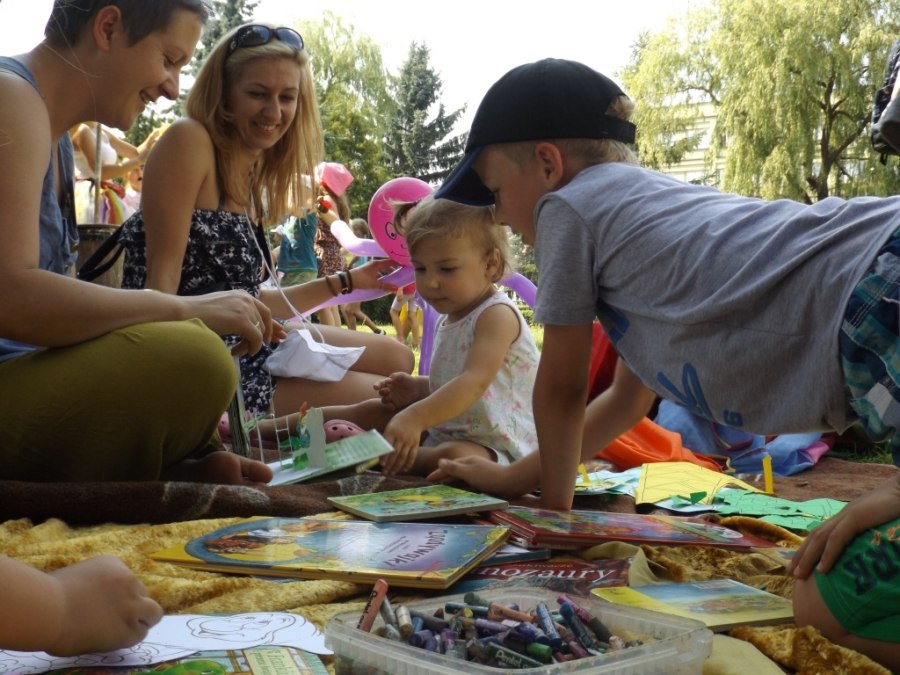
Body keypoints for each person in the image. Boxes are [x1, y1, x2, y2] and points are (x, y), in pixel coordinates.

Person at [433, 57, 900, 669]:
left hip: (876, 292)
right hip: (873, 266)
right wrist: (509, 478)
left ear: (548, 165)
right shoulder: (640, 226)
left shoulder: (567, 207)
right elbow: (624, 403)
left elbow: (563, 387)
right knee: (826, 594)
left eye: (495, 193)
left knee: (822, 604)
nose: (496, 215)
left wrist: (552, 524)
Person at [0, 0, 277, 654]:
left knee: (189, 358)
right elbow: (11, 297)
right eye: (169, 59)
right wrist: (184, 307)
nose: (172, 87)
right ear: (107, 26)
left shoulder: (44, 125)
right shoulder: (13, 101)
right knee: (194, 355)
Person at [119, 22, 413, 419]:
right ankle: (241, 426)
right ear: (223, 95)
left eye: (287, 97)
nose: (274, 112)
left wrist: (349, 282)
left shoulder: (251, 172)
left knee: (397, 357)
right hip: (207, 356)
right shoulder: (188, 142)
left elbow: (250, 301)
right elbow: (158, 292)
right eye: (257, 94)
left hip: (251, 337)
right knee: (394, 402)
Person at [321, 196, 540, 476]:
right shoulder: (453, 315)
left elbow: (474, 382)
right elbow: (459, 385)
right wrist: (418, 388)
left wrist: (415, 416)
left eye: (447, 269)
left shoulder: (496, 316)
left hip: (501, 449)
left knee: (453, 456)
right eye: (421, 268)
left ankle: (371, 454)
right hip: (451, 429)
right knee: (374, 409)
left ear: (490, 264)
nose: (430, 282)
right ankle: (270, 430)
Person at [69, 121, 159, 224]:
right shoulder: (82, 130)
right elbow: (100, 172)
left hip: (106, 193)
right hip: (90, 197)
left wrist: (150, 140)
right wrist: (137, 162)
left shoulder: (103, 132)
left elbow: (135, 153)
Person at [313, 162, 354, 327]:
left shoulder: (323, 201)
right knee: (331, 304)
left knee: (322, 303)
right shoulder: (338, 201)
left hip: (325, 254)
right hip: (335, 253)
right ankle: (338, 339)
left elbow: (333, 223)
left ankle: (332, 340)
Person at [339, 218, 385, 334]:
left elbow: (358, 256)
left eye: (353, 229)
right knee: (349, 309)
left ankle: (377, 330)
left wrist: (348, 265)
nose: (351, 231)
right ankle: (353, 333)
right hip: (357, 278)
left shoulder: (359, 242)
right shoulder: (363, 241)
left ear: (358, 230)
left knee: (350, 309)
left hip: (358, 278)